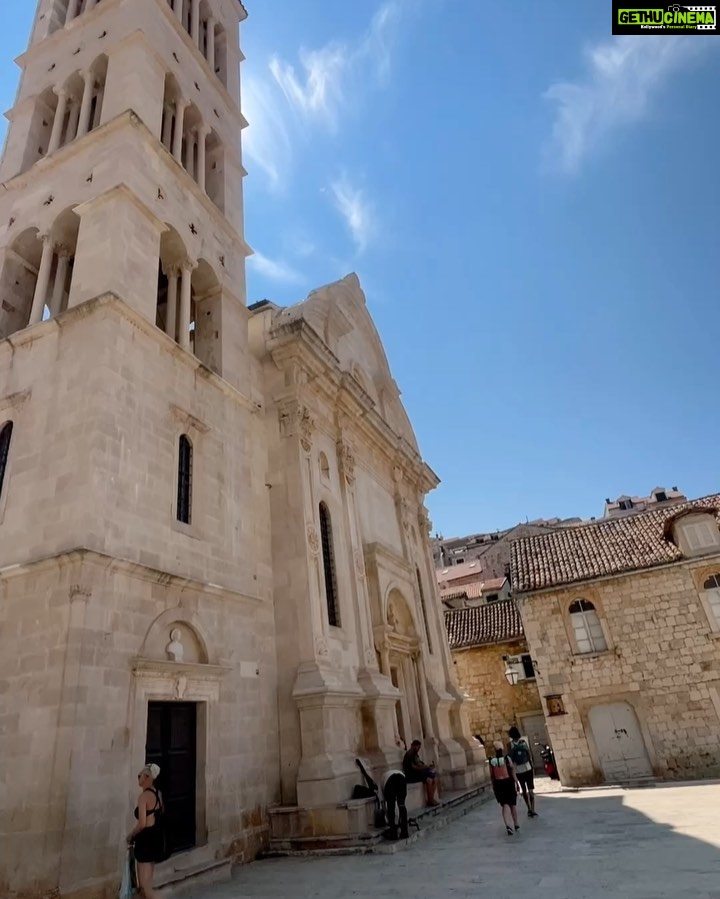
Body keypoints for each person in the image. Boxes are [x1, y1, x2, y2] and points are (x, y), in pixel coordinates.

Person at [126, 763, 165, 899]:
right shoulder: (158, 794)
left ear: (147, 777)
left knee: (145, 887)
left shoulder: (143, 797)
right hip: (155, 836)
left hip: (145, 839)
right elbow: (161, 812)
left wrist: (131, 835)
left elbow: (142, 823)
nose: (138, 779)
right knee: (148, 884)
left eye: (140, 776)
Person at [488, 740, 520, 836]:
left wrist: (493, 786)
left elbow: (492, 775)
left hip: (498, 784)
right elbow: (512, 771)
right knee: (512, 804)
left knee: (505, 804)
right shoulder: (507, 759)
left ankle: (508, 825)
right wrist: (516, 782)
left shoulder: (492, 761)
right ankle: (516, 823)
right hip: (508, 783)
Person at [508, 725, 537, 818]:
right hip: (527, 768)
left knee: (524, 790)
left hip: (518, 770)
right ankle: (533, 809)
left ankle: (528, 808)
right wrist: (532, 765)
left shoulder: (510, 745)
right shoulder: (523, 742)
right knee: (531, 789)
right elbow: (529, 754)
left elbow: (509, 759)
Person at [402, 739, 440, 806]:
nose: (418, 749)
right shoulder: (409, 755)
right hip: (412, 775)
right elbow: (413, 767)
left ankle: (431, 798)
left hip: (419, 773)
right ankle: (430, 800)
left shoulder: (415, 755)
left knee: (435, 778)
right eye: (418, 747)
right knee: (429, 780)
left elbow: (420, 764)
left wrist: (428, 767)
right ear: (413, 746)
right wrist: (425, 768)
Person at [382, 768, 409, 840]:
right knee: (402, 805)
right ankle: (404, 832)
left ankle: (393, 833)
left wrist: (386, 814)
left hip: (390, 781)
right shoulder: (386, 775)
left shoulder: (381, 781)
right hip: (402, 778)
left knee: (391, 807)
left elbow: (383, 802)